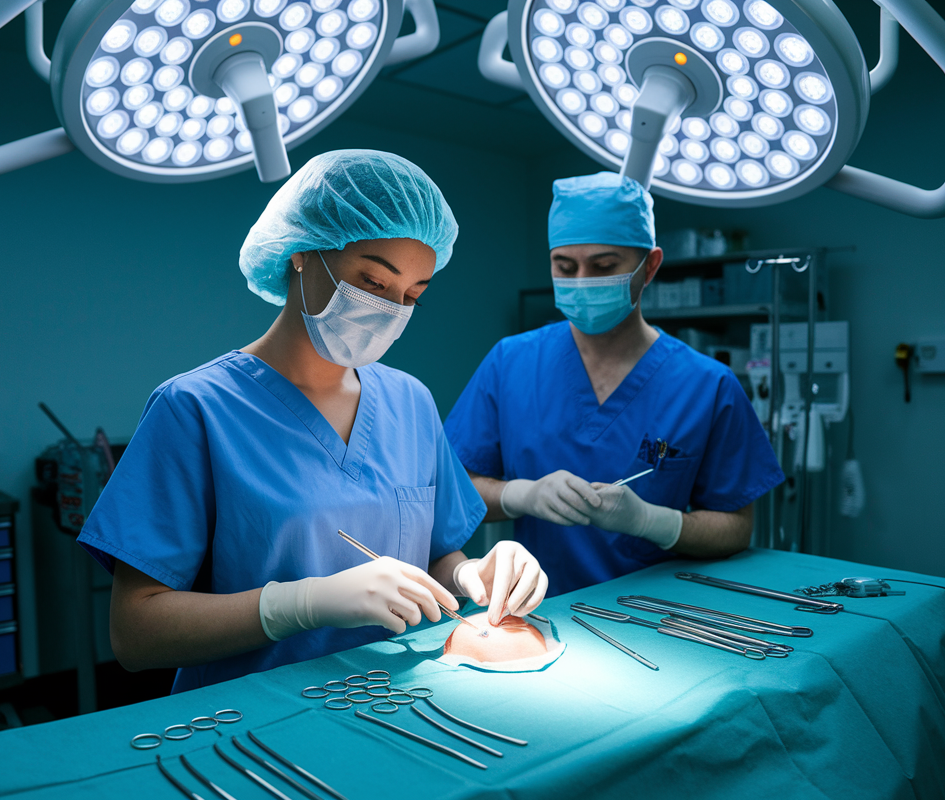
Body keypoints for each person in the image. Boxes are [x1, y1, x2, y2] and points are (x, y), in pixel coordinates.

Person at [77, 150, 548, 692]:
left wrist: (472, 575)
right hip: (249, 722)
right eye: (373, 282)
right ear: (303, 253)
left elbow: (438, 556)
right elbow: (135, 634)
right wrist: (300, 604)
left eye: (412, 295)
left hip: (403, 703)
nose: (392, 310)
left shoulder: (410, 402)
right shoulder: (196, 409)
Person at [443, 171, 784, 597]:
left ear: (650, 266)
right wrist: (520, 495)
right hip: (537, 612)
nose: (582, 280)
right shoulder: (511, 362)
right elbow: (453, 494)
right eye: (565, 267)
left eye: (604, 267)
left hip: (662, 619)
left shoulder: (707, 384)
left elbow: (736, 528)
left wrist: (652, 522)